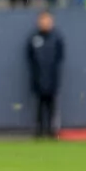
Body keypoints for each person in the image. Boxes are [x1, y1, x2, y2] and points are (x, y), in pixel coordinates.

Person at [26, 10, 64, 138]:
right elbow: (29, 57)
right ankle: (39, 131)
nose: (45, 23)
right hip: (38, 79)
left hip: (52, 79)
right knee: (39, 106)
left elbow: (60, 56)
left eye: (47, 20)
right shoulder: (34, 38)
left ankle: (52, 131)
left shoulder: (56, 38)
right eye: (43, 20)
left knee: (52, 106)